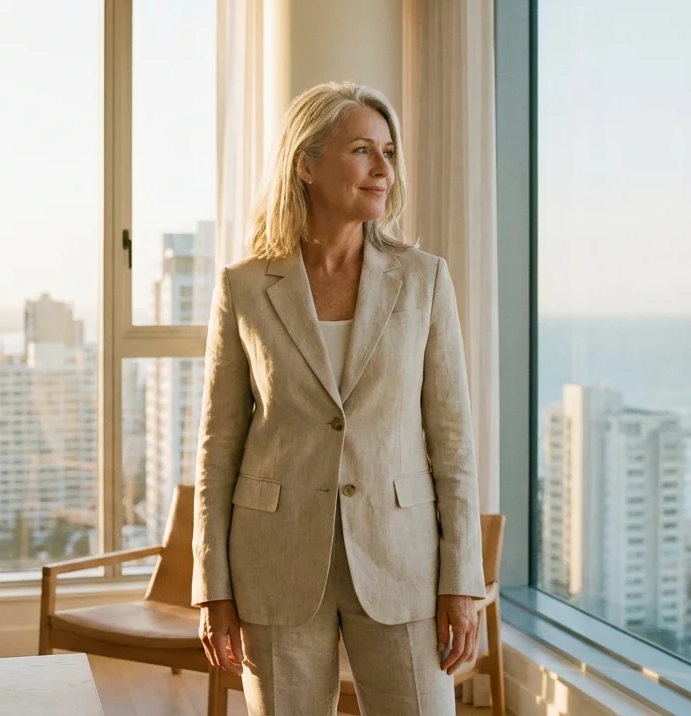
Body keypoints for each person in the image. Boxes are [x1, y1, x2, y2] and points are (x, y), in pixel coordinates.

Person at [191, 81, 485, 716]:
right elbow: (218, 449)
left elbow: (453, 442)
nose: (383, 168)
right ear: (306, 163)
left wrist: (464, 583)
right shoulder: (245, 288)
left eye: (388, 151)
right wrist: (213, 589)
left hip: (403, 559)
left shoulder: (423, 279)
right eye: (361, 150)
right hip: (276, 558)